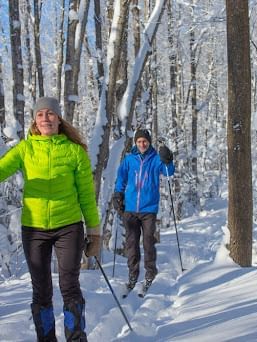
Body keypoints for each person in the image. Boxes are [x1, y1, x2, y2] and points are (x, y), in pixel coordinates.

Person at [0, 97, 101, 341]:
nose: (46, 118)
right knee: (41, 291)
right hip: (34, 229)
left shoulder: (74, 151)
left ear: (58, 118)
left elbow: (86, 195)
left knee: (69, 286)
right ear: (35, 120)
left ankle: (76, 338)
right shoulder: (26, 149)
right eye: (40, 114)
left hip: (68, 227)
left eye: (50, 114)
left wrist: (94, 231)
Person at [113, 129, 175, 291]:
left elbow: (169, 172)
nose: (142, 144)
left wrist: (168, 160)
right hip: (131, 208)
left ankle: (150, 273)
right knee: (131, 244)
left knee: (148, 242)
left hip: (149, 209)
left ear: (149, 142)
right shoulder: (129, 160)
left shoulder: (156, 159)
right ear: (135, 143)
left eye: (145, 141)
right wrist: (118, 194)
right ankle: (132, 274)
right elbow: (121, 178)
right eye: (139, 141)